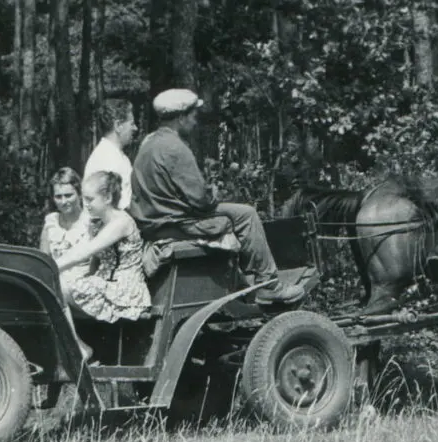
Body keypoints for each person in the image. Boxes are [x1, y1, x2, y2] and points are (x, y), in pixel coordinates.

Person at [129, 88, 306, 305]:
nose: (195, 121)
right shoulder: (176, 148)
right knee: (247, 214)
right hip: (178, 223)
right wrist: (211, 193)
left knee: (237, 213)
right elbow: (201, 201)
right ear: (181, 117)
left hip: (155, 221)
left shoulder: (148, 144)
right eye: (193, 115)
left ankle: (246, 280)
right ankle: (269, 285)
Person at [44, 170, 152, 323]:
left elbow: (85, 252)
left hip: (124, 290)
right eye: (85, 199)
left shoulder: (121, 223)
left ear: (107, 198)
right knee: (59, 282)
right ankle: (75, 343)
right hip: (104, 283)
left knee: (61, 284)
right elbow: (79, 251)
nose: (85, 204)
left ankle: (76, 345)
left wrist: (48, 268)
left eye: (90, 200)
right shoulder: (100, 223)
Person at [85, 98, 139, 210]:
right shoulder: (107, 160)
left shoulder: (117, 156)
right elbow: (115, 208)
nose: (135, 128)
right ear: (118, 125)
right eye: (132, 123)